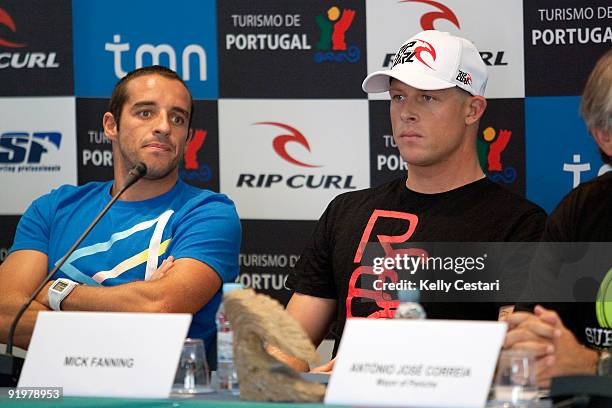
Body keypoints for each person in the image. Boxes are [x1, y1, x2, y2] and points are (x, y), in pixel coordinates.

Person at [284, 30, 546, 371]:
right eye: (398, 97)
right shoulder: (346, 211)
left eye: (427, 98)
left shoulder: (520, 224)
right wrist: (294, 379)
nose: (406, 112)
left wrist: (374, 366)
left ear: (472, 109)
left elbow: (513, 361)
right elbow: (284, 347)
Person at [0, 65, 241, 367]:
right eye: (145, 113)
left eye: (177, 118)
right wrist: (129, 323)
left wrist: (54, 292)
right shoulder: (54, 208)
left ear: (188, 136)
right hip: (57, 394)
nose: (164, 127)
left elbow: (160, 305)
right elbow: (5, 312)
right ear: (111, 125)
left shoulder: (208, 213)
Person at [505, 49, 612, 385]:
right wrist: (532, 345)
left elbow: (582, 364)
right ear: (605, 136)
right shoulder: (580, 211)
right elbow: (529, 332)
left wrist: (593, 365)